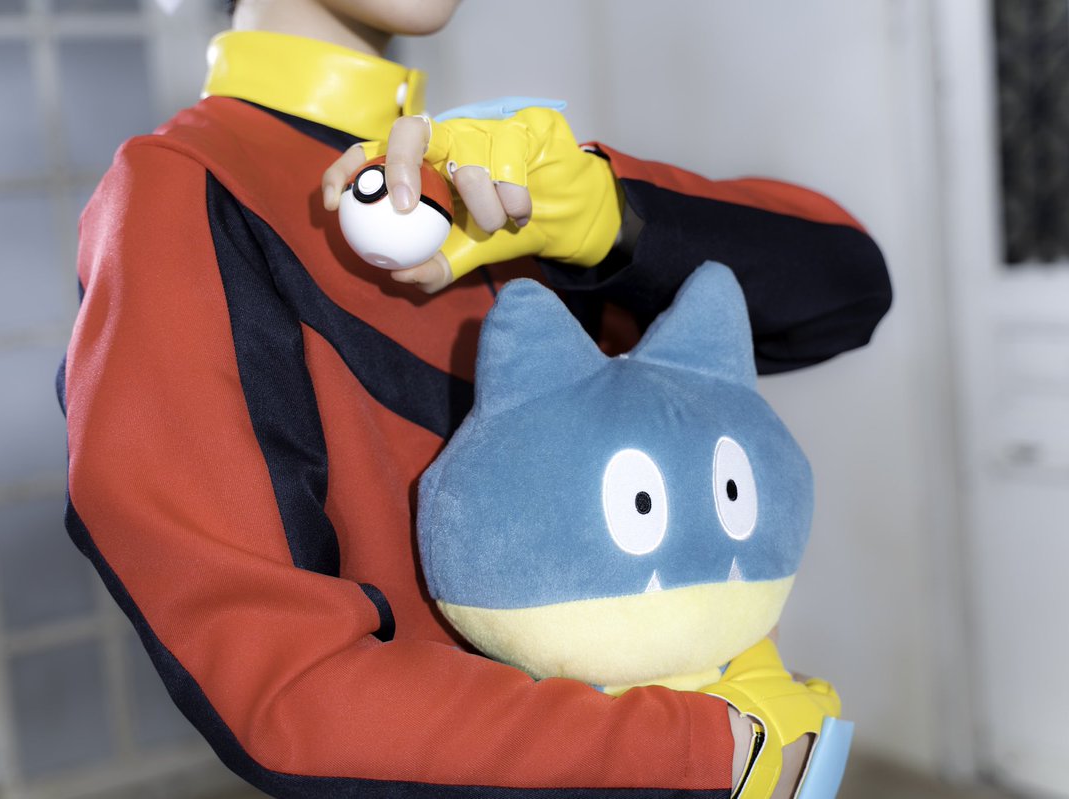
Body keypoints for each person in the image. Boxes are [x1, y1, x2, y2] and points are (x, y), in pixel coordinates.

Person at [58, 0, 891, 796]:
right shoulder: (183, 192)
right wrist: (720, 751)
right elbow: (282, 686)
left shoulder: (491, 172)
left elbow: (846, 294)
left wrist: (601, 212)